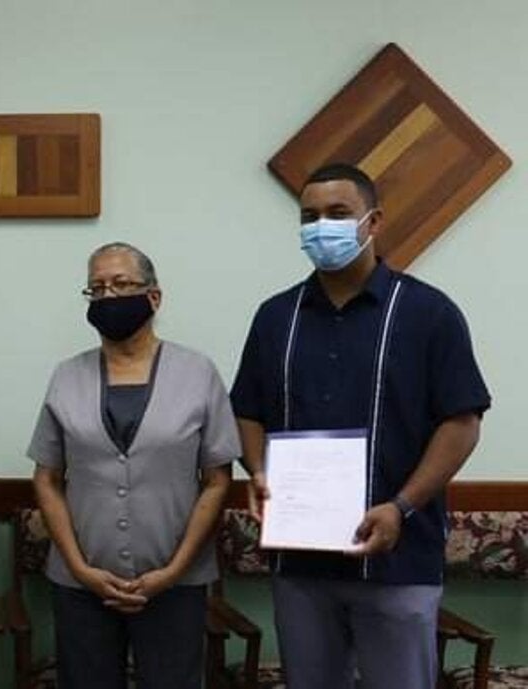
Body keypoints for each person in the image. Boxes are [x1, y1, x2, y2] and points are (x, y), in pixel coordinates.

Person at [230, 163, 490, 689]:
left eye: (337, 213)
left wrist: (401, 506)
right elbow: (247, 410)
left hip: (399, 559)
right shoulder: (276, 317)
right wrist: (257, 470)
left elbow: (462, 422)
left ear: (373, 222)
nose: (321, 226)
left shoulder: (428, 313)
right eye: (309, 217)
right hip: (301, 563)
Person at [26, 242, 236, 689]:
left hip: (175, 581)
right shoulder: (67, 376)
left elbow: (218, 480)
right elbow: (47, 479)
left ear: (153, 297)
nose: (108, 296)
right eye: (97, 288)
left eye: (121, 285)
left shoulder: (198, 373)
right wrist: (80, 568)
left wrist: (174, 570)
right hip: (82, 582)